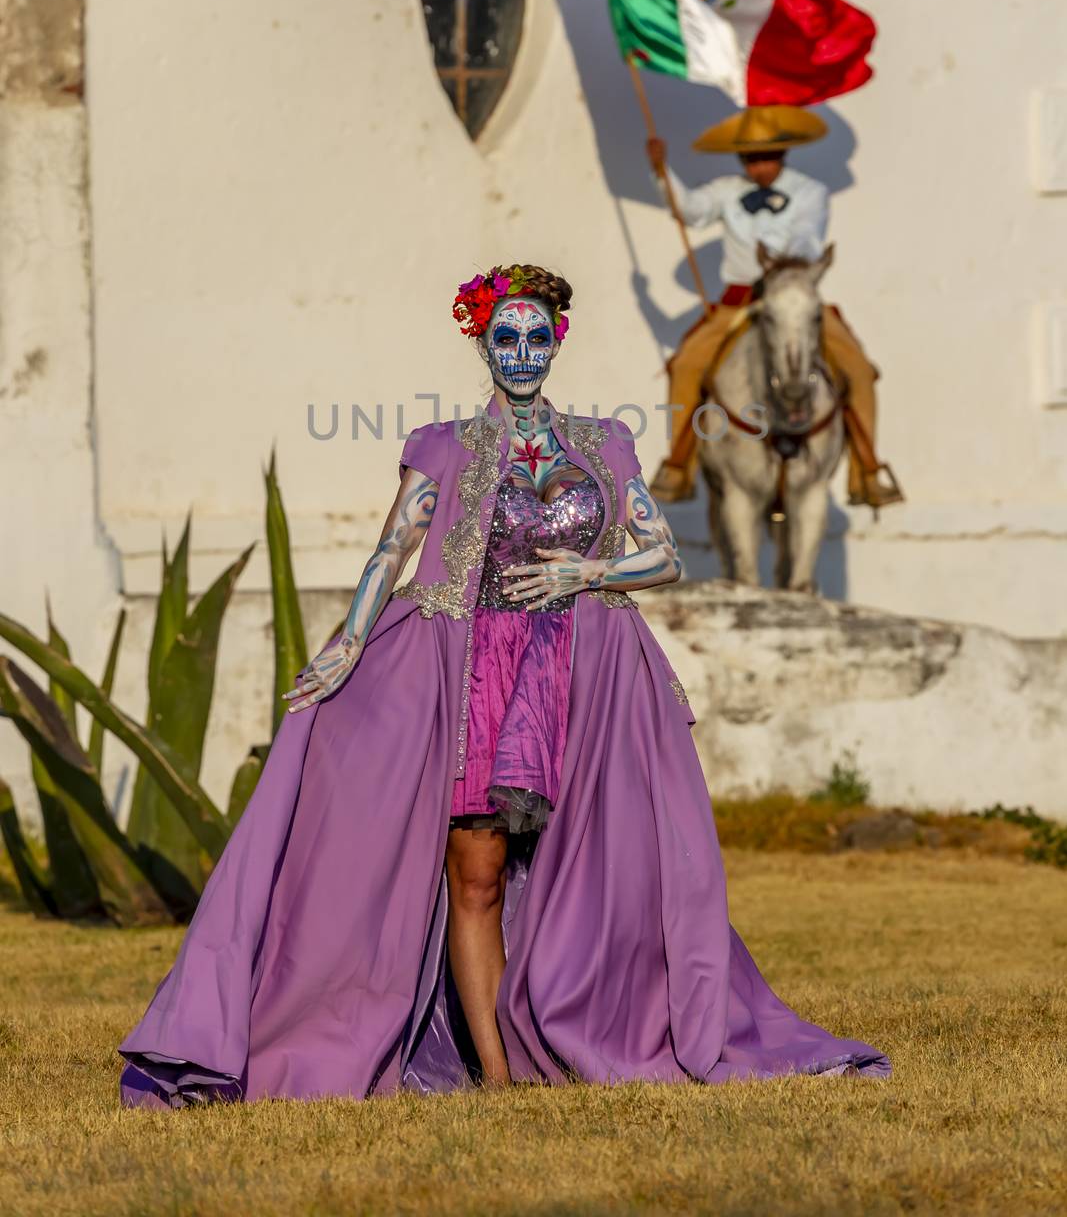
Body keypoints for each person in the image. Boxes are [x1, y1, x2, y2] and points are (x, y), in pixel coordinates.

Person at [119, 263, 889, 1105]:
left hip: (586, 675)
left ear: (557, 340)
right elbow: (393, 553)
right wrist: (344, 645)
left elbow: (663, 555)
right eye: (503, 337)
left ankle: (585, 1028)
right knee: (476, 874)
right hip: (471, 678)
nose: (520, 352)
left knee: (607, 873)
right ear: (481, 344)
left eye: (535, 336)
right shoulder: (442, 447)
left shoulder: (604, 443)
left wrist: (586, 572)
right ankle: (493, 1072)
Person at [647, 105, 903, 510]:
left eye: (766, 156)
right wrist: (664, 173)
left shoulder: (810, 191)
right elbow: (691, 211)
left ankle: (868, 470)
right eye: (750, 158)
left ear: (783, 154)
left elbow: (806, 240)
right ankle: (679, 465)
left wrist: (778, 264)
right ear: (740, 159)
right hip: (740, 302)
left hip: (792, 298)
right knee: (685, 365)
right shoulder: (728, 190)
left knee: (858, 369)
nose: (758, 166)